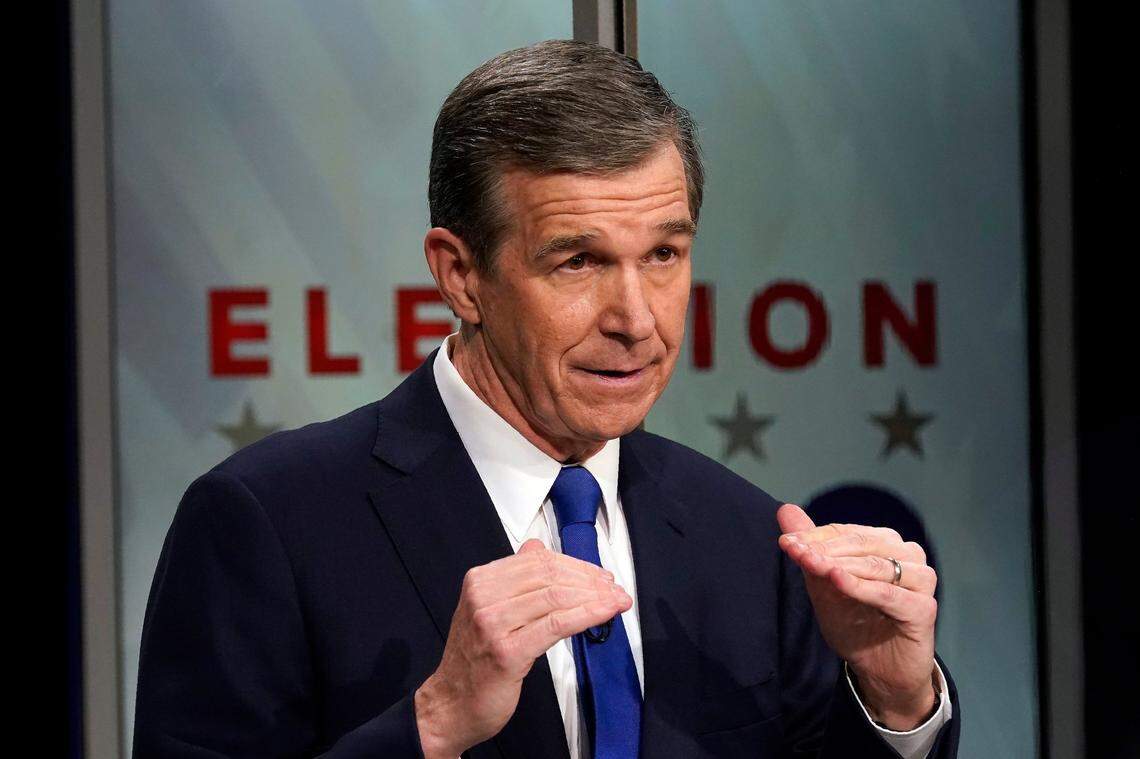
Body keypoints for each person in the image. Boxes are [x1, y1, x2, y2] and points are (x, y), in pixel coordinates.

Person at [133, 40, 959, 758]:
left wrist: (893, 703)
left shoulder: (744, 536)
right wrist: (432, 721)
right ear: (461, 275)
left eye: (664, 253)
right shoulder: (268, 522)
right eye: (578, 262)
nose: (636, 320)